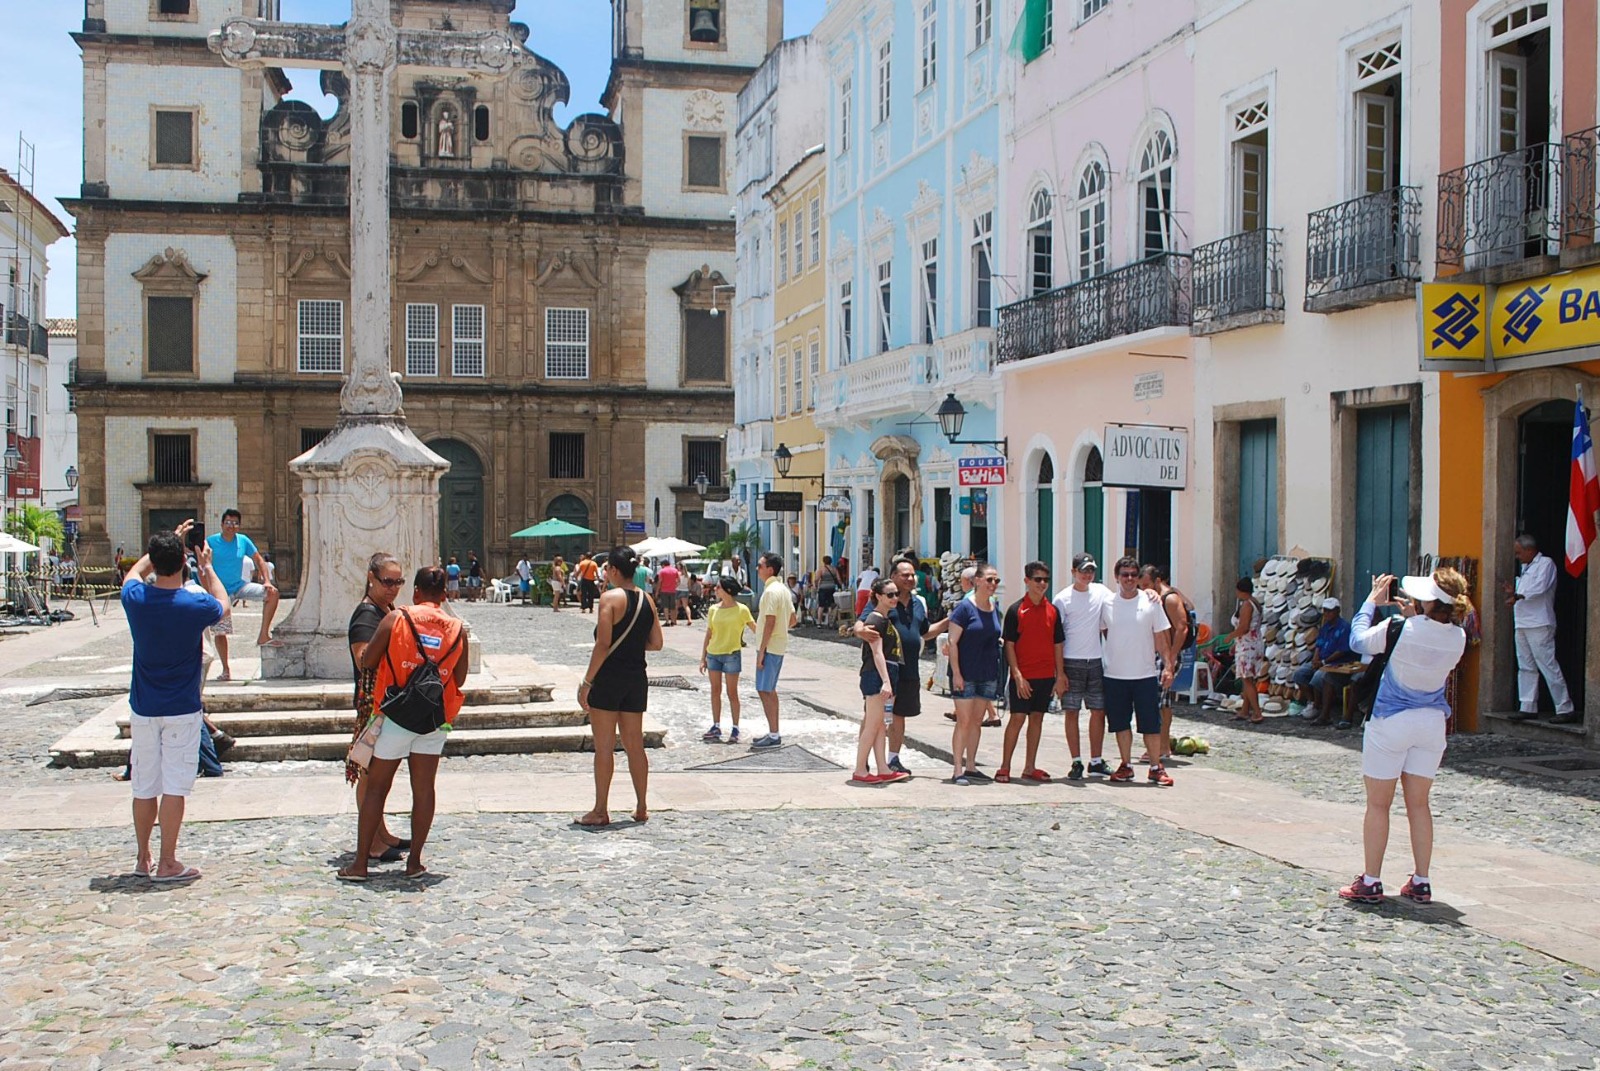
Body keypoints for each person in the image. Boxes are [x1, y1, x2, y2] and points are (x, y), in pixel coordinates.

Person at [1339, 570, 1472, 906]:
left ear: (1428, 601)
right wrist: (1415, 616)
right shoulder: (1458, 637)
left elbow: (1357, 641)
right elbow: (1427, 642)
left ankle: (1371, 881)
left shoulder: (1398, 628)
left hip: (1391, 721)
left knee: (1379, 804)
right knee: (1419, 805)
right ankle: (1422, 880)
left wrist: (1371, 601)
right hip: (1430, 723)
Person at [338, 566, 468, 881]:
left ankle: (360, 865)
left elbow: (367, 660)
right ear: (445, 595)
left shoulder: (398, 618)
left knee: (377, 789)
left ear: (416, 592)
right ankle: (415, 864)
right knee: (424, 790)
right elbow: (460, 678)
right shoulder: (457, 627)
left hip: (395, 714)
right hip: (435, 718)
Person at [121, 520, 228, 882]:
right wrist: (207, 565)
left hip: (144, 705)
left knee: (143, 786)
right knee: (174, 787)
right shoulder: (193, 603)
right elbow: (223, 605)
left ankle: (142, 857)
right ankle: (168, 861)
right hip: (181, 707)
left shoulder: (136, 600)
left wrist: (167, 547)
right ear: (185, 562)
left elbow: (134, 573)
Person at [577, 546, 664, 826]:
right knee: (634, 745)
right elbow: (657, 643)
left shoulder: (608, 599)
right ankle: (641, 806)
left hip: (609, 677)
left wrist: (586, 681)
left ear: (614, 570)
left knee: (604, 747)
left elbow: (603, 644)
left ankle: (601, 810)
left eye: (607, 569)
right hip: (636, 678)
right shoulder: (647, 600)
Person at [344, 552, 409, 865]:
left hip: (387, 702)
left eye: (398, 582)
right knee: (369, 776)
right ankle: (371, 842)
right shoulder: (366, 615)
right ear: (371, 578)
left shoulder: (386, 609)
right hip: (372, 706)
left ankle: (381, 832)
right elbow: (363, 657)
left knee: (380, 776)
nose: (394, 588)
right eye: (388, 581)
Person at [852, 558, 939, 776]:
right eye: (905, 575)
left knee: (898, 716)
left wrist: (951, 621)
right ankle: (863, 764)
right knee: (873, 718)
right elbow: (862, 625)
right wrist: (860, 631)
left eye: (912, 575)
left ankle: (891, 760)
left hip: (908, 668)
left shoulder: (918, 603)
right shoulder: (883, 604)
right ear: (893, 577)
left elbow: (924, 632)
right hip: (883, 672)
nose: (910, 579)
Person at [1101, 556, 1176, 786]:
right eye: (1125, 574)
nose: (1130, 579)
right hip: (1115, 675)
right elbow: (1104, 632)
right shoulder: (1107, 604)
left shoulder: (1151, 601)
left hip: (1144, 674)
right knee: (1120, 724)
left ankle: (1155, 767)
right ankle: (1126, 765)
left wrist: (1168, 666)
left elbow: (1161, 636)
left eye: (1134, 574)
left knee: (1151, 724)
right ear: (1117, 577)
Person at [999, 560, 1066, 783]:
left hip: (1045, 676)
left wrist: (1060, 675)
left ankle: (1030, 766)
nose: (1042, 584)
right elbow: (1009, 645)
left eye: (1046, 580)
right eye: (1037, 579)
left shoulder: (1053, 611)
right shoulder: (1016, 610)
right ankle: (1005, 766)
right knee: (1017, 719)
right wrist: (1017, 676)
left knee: (1037, 719)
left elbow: (1058, 644)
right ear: (1027, 581)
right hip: (1023, 676)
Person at [1505, 534, 1576, 723]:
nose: (1517, 557)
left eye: (1519, 553)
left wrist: (1518, 596)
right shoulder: (1525, 567)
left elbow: (1540, 588)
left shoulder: (1546, 564)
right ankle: (1527, 706)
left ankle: (1564, 707)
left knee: (1548, 665)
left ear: (1530, 550)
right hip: (1522, 622)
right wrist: (1514, 593)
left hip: (1539, 623)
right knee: (1525, 666)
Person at [1052, 553, 1111, 779]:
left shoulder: (1101, 592)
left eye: (1091, 570)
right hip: (1071, 660)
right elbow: (1057, 638)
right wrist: (1060, 672)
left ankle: (1095, 760)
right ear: (1073, 571)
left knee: (1098, 710)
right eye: (1083, 570)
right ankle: (1076, 760)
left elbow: (1124, 598)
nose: (1087, 575)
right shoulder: (1062, 599)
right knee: (1072, 711)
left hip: (1095, 660)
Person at [204, 508, 283, 675]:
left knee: (272, 593)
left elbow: (258, 559)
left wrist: (267, 581)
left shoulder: (243, 540)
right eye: (228, 523)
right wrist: (208, 589)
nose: (231, 526)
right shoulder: (211, 541)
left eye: (235, 523)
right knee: (221, 630)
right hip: (220, 591)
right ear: (222, 524)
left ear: (239, 526)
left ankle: (263, 635)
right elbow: (203, 566)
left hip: (239, 586)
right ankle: (226, 669)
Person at [947, 562, 1003, 784]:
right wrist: (957, 673)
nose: (993, 584)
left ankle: (971, 765)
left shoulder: (993, 606)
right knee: (964, 721)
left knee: (977, 721)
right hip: (966, 672)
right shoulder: (964, 608)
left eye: (996, 580)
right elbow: (952, 642)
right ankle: (958, 769)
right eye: (989, 579)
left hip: (987, 672)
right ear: (977, 581)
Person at [852, 577, 911, 785]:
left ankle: (882, 768)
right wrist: (886, 681)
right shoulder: (875, 619)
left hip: (885, 673)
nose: (895, 598)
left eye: (896, 594)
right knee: (873, 723)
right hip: (876, 675)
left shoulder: (884, 619)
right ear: (878, 596)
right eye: (890, 595)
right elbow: (877, 654)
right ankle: (860, 768)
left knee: (879, 726)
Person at [1139, 564, 1195, 763]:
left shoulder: (1169, 599)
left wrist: (1170, 657)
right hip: (1158, 656)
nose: (1144, 589)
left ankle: (1158, 748)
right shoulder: (1154, 598)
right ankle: (1163, 747)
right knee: (1164, 702)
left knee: (1155, 701)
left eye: (1147, 585)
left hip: (1166, 657)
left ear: (1157, 581)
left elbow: (1182, 628)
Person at [699, 575, 755, 743]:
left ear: (727, 591)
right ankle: (716, 725)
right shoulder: (713, 609)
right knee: (715, 691)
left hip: (732, 655)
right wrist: (703, 657)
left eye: (718, 587)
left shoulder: (742, 609)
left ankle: (735, 727)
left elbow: (754, 628)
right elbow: (709, 633)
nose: (715, 590)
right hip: (713, 654)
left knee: (732, 693)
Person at [750, 552, 797, 749]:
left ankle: (774, 733)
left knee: (764, 690)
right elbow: (793, 619)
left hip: (769, 647)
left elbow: (770, 621)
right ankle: (773, 731)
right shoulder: (783, 590)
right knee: (769, 689)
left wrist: (761, 650)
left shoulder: (770, 592)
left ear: (770, 569)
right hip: (778, 645)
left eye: (760, 566)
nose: (757, 569)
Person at [1292, 597, 1358, 724]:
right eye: (1325, 611)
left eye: (1330, 611)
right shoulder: (1325, 627)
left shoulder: (1344, 628)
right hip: (1322, 660)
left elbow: (1342, 651)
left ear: (1337, 611)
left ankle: (1319, 707)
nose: (1327, 614)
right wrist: (1316, 659)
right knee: (1300, 674)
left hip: (1336, 663)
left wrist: (1323, 662)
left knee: (1319, 676)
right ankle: (1312, 702)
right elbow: (1319, 645)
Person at [1223, 577, 1265, 725]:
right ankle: (1245, 710)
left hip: (1248, 645)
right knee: (1249, 679)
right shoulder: (1255, 603)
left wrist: (1230, 637)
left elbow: (1244, 627)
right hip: (1253, 643)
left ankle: (1257, 712)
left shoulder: (1247, 605)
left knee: (1247, 679)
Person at [814, 556, 840, 628]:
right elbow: (838, 578)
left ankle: (819, 622)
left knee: (821, 605)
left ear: (824, 561)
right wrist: (841, 586)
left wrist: (816, 586)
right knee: (830, 605)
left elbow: (817, 579)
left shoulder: (822, 569)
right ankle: (830, 622)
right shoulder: (834, 569)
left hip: (823, 588)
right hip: (832, 588)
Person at [656, 558, 681, 625]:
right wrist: (675, 586)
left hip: (664, 591)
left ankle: (667, 621)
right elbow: (679, 581)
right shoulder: (675, 570)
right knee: (672, 606)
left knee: (665, 606)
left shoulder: (662, 571)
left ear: (663, 565)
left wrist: (657, 591)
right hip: (673, 591)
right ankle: (673, 621)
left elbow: (660, 582)